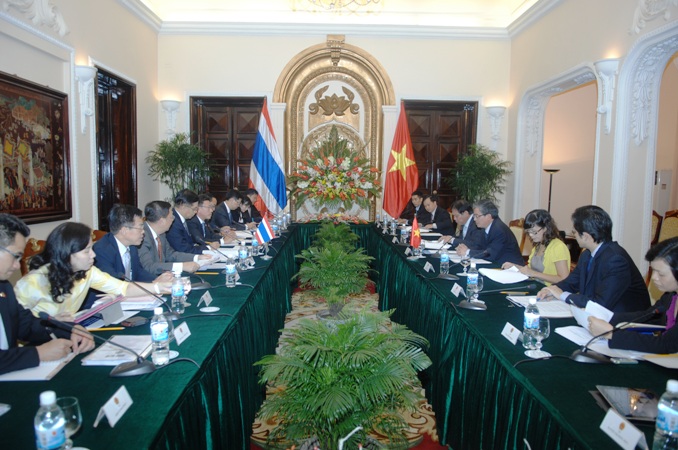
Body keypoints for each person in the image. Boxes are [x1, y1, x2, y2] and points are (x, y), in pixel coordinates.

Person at [15, 222, 172, 321]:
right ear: (66, 253)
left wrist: (159, 287)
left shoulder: (88, 272)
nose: (93, 255)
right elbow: (13, 325)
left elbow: (123, 288)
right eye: (86, 251)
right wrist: (50, 323)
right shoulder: (32, 282)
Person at [0, 214, 94, 375]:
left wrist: (71, 330)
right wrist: (38, 354)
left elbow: (27, 325)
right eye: (15, 256)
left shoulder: (4, 287)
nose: (17, 266)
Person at [537, 205, 650, 312]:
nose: (574, 235)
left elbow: (601, 303)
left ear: (586, 236)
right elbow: (571, 283)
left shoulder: (615, 259)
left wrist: (563, 295)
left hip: (625, 321)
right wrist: (551, 290)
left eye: (574, 232)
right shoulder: (587, 254)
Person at [589, 237, 678, 353]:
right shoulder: (670, 296)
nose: (654, 278)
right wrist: (607, 317)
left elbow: (667, 344)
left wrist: (612, 334)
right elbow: (648, 315)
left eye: (661, 274)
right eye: (653, 271)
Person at [85, 204, 173, 309]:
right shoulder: (102, 250)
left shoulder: (131, 245)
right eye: (140, 227)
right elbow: (116, 283)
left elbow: (138, 271)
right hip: (103, 308)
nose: (143, 232)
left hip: (127, 300)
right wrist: (155, 285)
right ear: (124, 230)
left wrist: (157, 280)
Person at [138, 200, 210, 276]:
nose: (173, 219)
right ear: (162, 221)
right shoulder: (142, 236)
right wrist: (182, 266)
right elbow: (149, 266)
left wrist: (197, 257)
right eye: (171, 217)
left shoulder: (161, 234)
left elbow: (170, 255)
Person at [502, 209, 570, 285]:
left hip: (550, 289)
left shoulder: (558, 247)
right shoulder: (538, 245)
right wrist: (515, 267)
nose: (531, 235)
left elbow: (563, 279)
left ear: (545, 228)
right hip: (536, 285)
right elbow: (530, 270)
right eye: (528, 232)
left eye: (534, 232)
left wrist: (534, 274)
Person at [456, 199, 523, 265]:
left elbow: (490, 254)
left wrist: (468, 252)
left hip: (511, 267)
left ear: (488, 216)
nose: (474, 219)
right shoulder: (483, 227)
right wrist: (464, 248)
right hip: (495, 263)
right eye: (474, 216)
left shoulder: (499, 230)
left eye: (477, 216)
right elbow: (478, 246)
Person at [166, 189, 211, 255]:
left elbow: (190, 243)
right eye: (194, 209)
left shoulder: (184, 219)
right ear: (182, 206)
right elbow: (182, 249)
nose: (196, 212)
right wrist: (207, 248)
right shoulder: (173, 222)